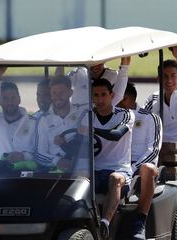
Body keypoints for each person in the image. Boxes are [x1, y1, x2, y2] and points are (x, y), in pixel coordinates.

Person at [118, 83, 163, 240]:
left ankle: (140, 221)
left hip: (140, 167)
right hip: (118, 165)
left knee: (148, 169)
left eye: (121, 99)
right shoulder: (113, 116)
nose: (117, 102)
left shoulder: (150, 118)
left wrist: (131, 168)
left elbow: (153, 150)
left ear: (130, 99)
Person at [92, 79, 135, 239]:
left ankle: (104, 224)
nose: (100, 99)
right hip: (94, 170)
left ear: (112, 95)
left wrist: (91, 129)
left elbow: (115, 135)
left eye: (104, 94)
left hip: (119, 169)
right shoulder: (86, 115)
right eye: (96, 95)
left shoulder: (125, 114)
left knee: (115, 178)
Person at [34, 75, 87, 170]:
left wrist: (64, 144)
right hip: (53, 170)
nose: (57, 97)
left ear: (70, 93)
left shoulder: (82, 114)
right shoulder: (43, 120)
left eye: (61, 93)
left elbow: (88, 146)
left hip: (79, 169)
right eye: (54, 93)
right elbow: (39, 154)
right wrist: (57, 161)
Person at [143, 57, 177, 178]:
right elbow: (143, 119)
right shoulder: (154, 98)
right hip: (160, 147)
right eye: (164, 76)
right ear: (158, 78)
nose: (169, 80)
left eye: (173, 75)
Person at [0, 68, 35, 163]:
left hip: (27, 171)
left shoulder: (33, 123)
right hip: (3, 172)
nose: (10, 102)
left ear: (19, 99)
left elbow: (39, 152)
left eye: (13, 97)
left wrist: (23, 156)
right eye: (5, 98)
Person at [58, 57, 131, 106]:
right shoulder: (78, 72)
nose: (95, 65)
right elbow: (59, 84)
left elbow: (119, 95)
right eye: (91, 62)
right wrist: (60, 62)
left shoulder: (114, 75)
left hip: (100, 114)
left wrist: (124, 64)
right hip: (76, 116)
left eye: (99, 62)